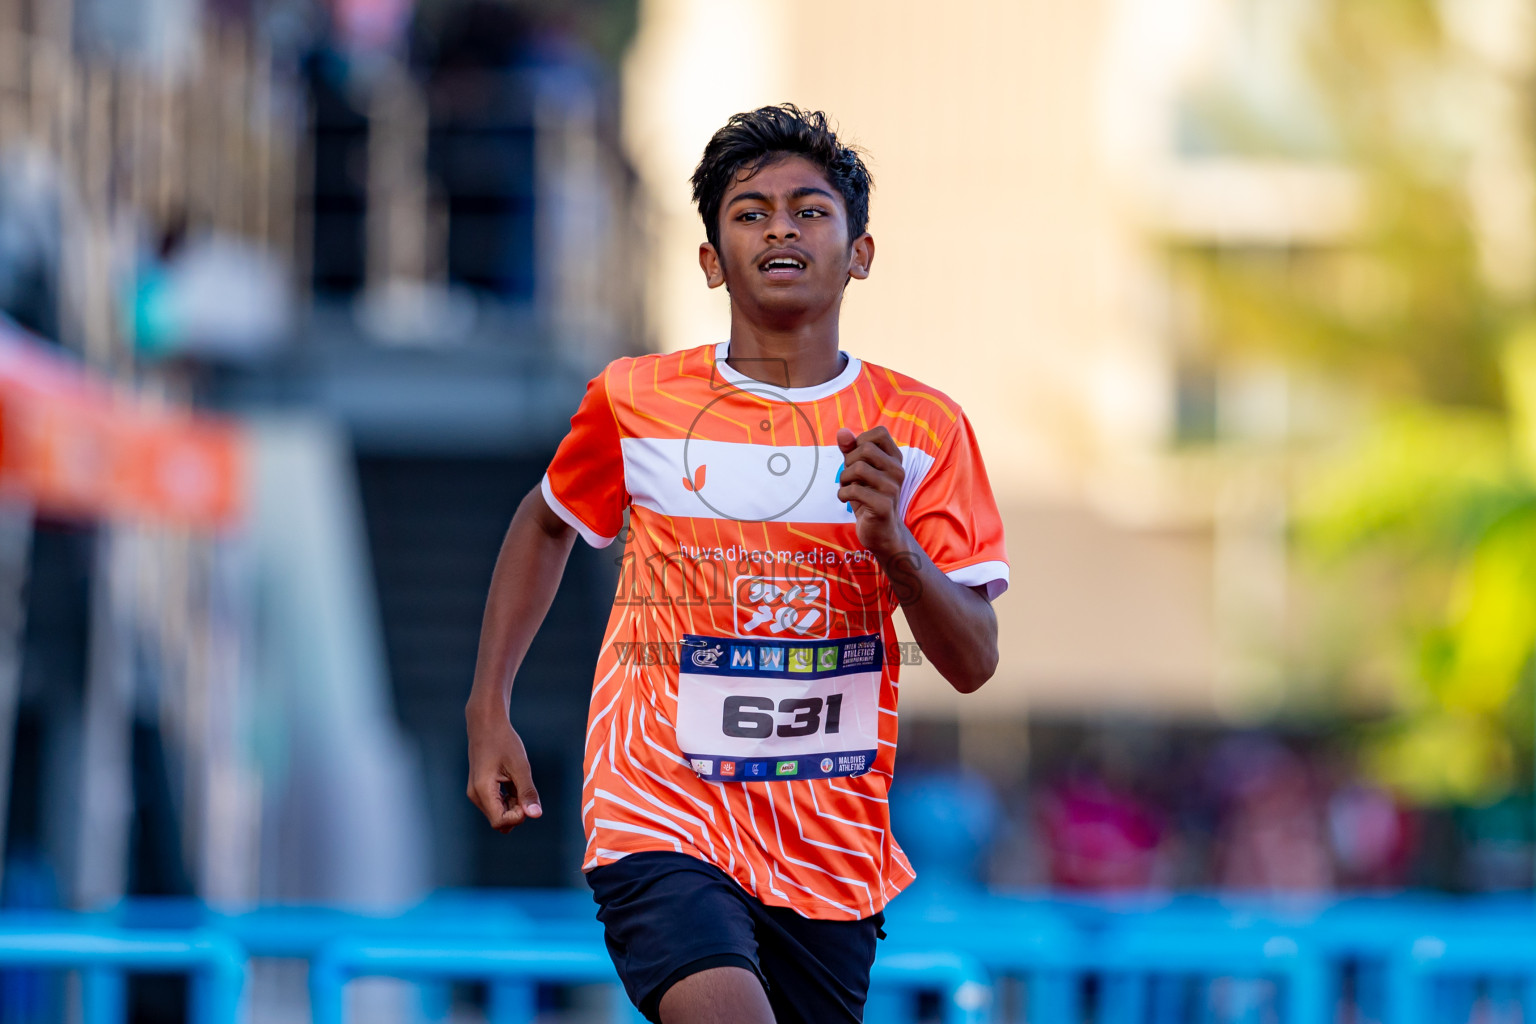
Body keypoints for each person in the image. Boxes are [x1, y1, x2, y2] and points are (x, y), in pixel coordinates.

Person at [466, 104, 1009, 1024]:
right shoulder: (636, 398)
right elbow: (548, 519)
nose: (780, 228)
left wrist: (897, 548)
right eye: (750, 213)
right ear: (714, 261)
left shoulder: (922, 431)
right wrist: (490, 710)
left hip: (827, 842)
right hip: (660, 810)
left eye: (809, 209)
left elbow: (972, 662)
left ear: (861, 251)